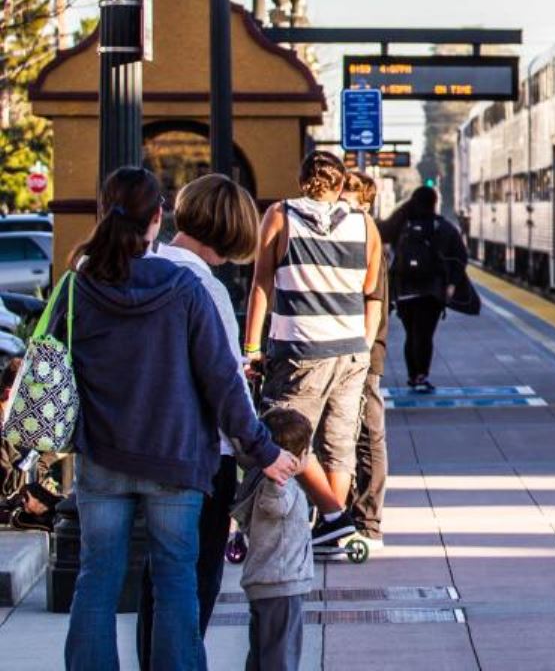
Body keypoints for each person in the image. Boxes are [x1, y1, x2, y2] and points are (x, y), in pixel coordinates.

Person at [61, 166, 298, 671]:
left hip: (101, 456)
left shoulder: (78, 283)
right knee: (176, 582)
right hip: (176, 459)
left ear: (104, 212)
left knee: (96, 577)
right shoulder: (186, 287)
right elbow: (222, 382)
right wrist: (264, 450)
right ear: (158, 217)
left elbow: (57, 363)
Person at [136, 174, 263, 666]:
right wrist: (257, 447)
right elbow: (223, 380)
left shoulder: (146, 265)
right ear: (232, 229)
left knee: (155, 578)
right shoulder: (203, 287)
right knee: (195, 577)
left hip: (142, 444)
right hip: (202, 454)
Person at [242, 150, 381, 553]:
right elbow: (370, 291)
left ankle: (333, 520)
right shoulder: (364, 224)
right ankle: (329, 530)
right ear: (340, 185)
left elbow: (261, 285)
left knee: (285, 435)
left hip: (299, 348)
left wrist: (251, 348)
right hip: (353, 350)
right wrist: (364, 344)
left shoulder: (280, 216)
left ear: (303, 181)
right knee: (338, 445)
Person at [232, 406, 315, 671]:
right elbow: (275, 504)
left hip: (264, 583)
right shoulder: (279, 485)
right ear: (294, 457)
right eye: (308, 451)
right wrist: (276, 479)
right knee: (280, 657)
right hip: (282, 583)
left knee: (262, 654)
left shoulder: (258, 480)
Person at [380, 187, 468, 394]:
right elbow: (461, 256)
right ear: (434, 202)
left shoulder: (402, 223)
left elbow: (380, 233)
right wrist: (452, 284)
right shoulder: (443, 227)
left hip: (403, 290)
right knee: (425, 335)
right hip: (432, 291)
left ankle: (412, 375)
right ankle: (421, 375)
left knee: (411, 334)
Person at [343, 171, 388, 550]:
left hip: (364, 354)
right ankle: (344, 515)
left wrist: (363, 350)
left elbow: (373, 299)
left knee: (368, 434)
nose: (342, 199)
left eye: (350, 194)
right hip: (344, 350)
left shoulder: (366, 232)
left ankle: (368, 522)